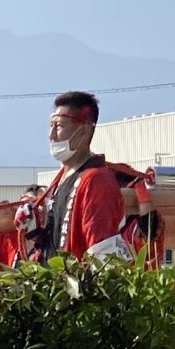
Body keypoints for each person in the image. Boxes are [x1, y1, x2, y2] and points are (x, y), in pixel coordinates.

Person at [29, 89, 139, 262]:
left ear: (85, 130)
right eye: (51, 126)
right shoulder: (63, 177)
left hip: (77, 284)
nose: (51, 135)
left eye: (59, 126)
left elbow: (103, 248)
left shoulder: (96, 180)